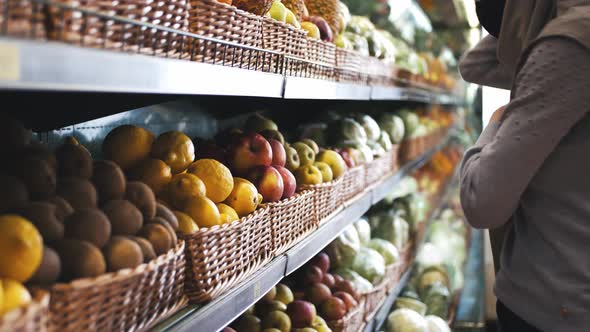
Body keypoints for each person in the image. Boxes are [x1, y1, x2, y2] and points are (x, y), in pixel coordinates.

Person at [459, 1, 590, 332]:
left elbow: (481, 202)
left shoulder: (570, 45)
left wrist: (494, 123)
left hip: (552, 305)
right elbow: (472, 66)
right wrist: (537, 16)